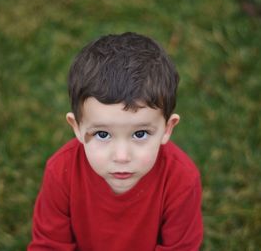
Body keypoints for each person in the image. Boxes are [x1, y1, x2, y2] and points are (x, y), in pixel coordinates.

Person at [28, 32, 203, 251]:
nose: (121, 157)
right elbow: (49, 246)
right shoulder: (61, 171)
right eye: (102, 134)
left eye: (140, 134)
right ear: (77, 128)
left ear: (167, 129)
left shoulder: (181, 180)